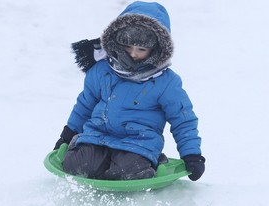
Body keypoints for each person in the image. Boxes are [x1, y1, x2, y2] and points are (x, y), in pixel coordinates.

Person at [53, 1, 205, 181]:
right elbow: (85, 105)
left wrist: (192, 155)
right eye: (128, 46)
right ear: (117, 41)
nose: (133, 54)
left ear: (156, 49)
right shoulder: (102, 70)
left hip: (138, 144)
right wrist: (68, 134)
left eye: (141, 49)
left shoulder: (166, 82)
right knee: (75, 166)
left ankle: (153, 164)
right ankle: (100, 164)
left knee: (129, 172)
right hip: (97, 137)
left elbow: (183, 119)